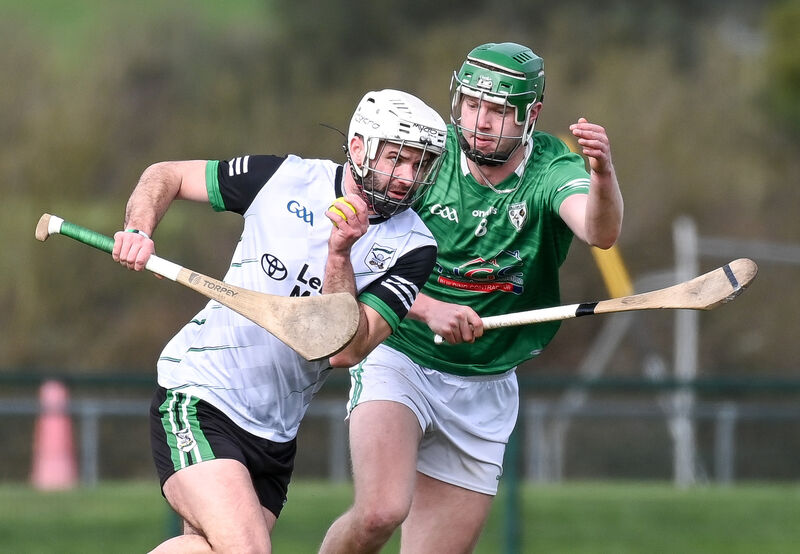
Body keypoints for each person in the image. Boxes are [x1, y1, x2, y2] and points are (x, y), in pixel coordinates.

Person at [111, 89, 448, 553]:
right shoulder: (282, 178)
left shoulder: (415, 247)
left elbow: (347, 350)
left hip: (275, 434)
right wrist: (138, 229)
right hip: (201, 395)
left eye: (420, 164)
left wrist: (339, 254)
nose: (407, 178)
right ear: (358, 148)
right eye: (396, 159)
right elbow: (165, 174)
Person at [320, 42, 624, 553]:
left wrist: (603, 175)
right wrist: (425, 308)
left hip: (486, 383)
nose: (480, 121)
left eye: (498, 110)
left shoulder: (552, 169)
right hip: (401, 353)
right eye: (471, 104)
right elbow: (362, 251)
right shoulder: (426, 154)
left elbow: (599, 231)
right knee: (378, 514)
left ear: (531, 115)